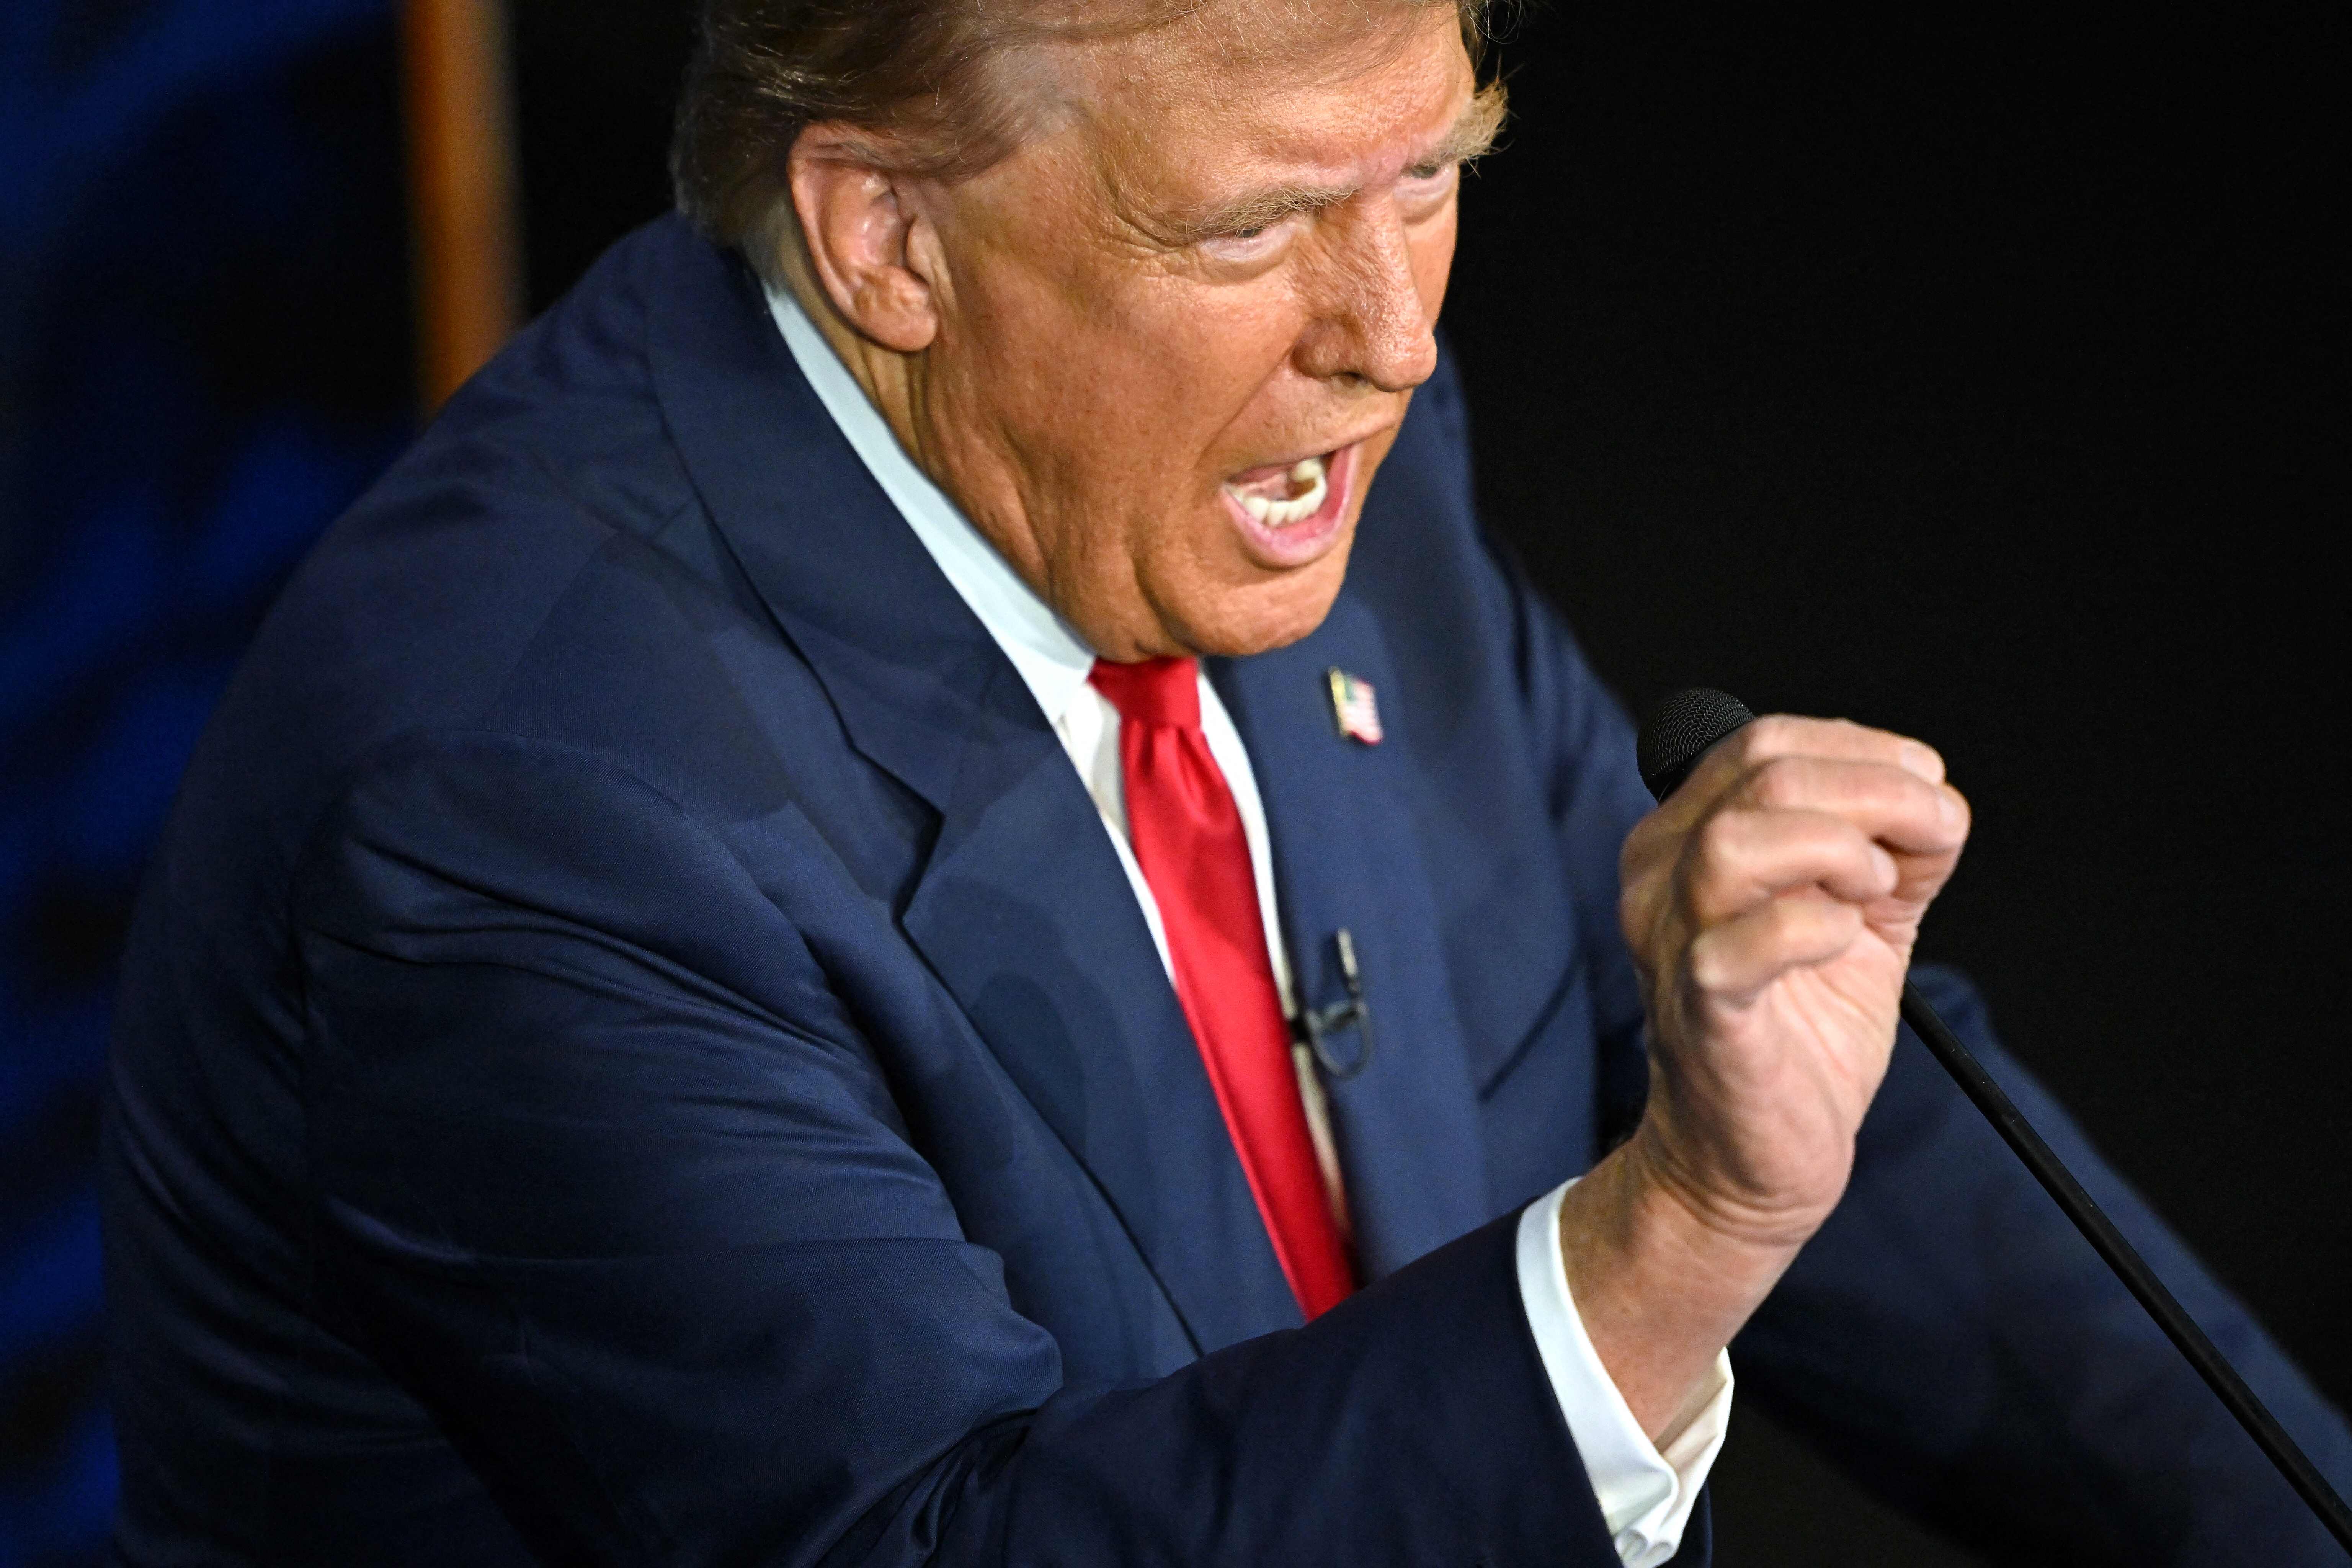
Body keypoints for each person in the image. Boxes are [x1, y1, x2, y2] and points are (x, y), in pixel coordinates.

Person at [101, 0, 2350, 1562]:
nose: (1393, 331)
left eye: (1435, 176)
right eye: (1255, 226)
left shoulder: (1270, 476)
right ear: (887, 231)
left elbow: (1741, 1066)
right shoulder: (514, 809)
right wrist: (1671, 1248)